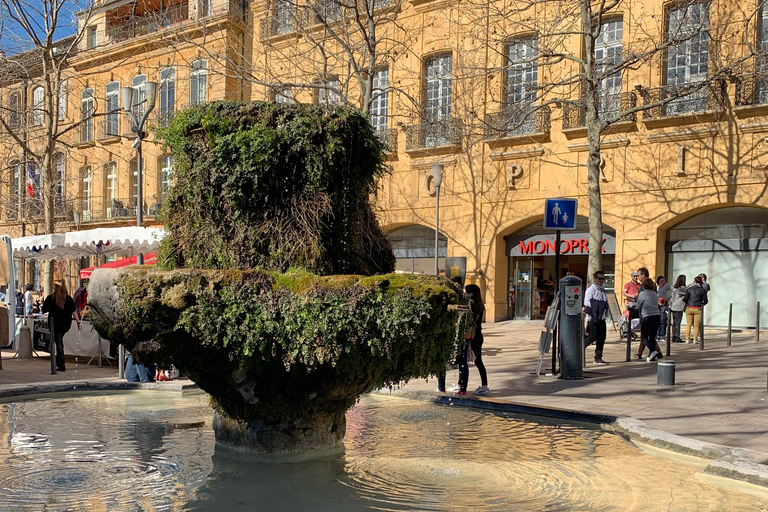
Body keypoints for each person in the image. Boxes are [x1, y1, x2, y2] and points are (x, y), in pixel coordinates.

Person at [41, 281, 81, 372]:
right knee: (59, 341)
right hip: (65, 324)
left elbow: (44, 310)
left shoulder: (51, 298)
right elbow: (74, 311)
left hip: (54, 323)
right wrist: (78, 322)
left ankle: (61, 363)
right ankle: (59, 361)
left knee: (58, 343)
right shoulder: (68, 299)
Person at [465, 284, 489, 395]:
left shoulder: (471, 305)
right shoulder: (480, 305)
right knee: (478, 361)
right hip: (478, 336)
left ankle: (462, 385)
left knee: (465, 361)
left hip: (472, 336)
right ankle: (484, 385)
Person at [583, 270, 609, 365]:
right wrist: (599, 305)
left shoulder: (602, 290)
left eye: (603, 279)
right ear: (595, 279)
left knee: (602, 337)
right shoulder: (591, 290)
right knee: (592, 336)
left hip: (601, 318)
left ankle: (598, 357)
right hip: (593, 317)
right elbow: (587, 303)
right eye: (599, 278)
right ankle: (580, 350)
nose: (601, 280)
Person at [635, 278, 662, 362]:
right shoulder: (655, 294)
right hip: (657, 317)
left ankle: (653, 351)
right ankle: (652, 355)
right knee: (652, 336)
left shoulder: (642, 294)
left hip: (647, 317)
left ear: (643, 285)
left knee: (644, 336)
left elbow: (637, 306)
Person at [683, 275, 708, 343]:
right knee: (696, 325)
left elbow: (685, 298)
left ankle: (687, 339)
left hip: (689, 307)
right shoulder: (702, 290)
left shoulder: (689, 289)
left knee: (688, 324)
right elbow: (705, 301)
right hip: (698, 308)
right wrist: (701, 304)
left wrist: (687, 303)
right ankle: (695, 339)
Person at [669, 275, 687, 343]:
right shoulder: (682, 288)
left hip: (673, 306)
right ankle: (677, 337)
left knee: (674, 322)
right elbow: (687, 293)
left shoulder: (675, 288)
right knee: (678, 322)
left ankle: (673, 336)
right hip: (679, 306)